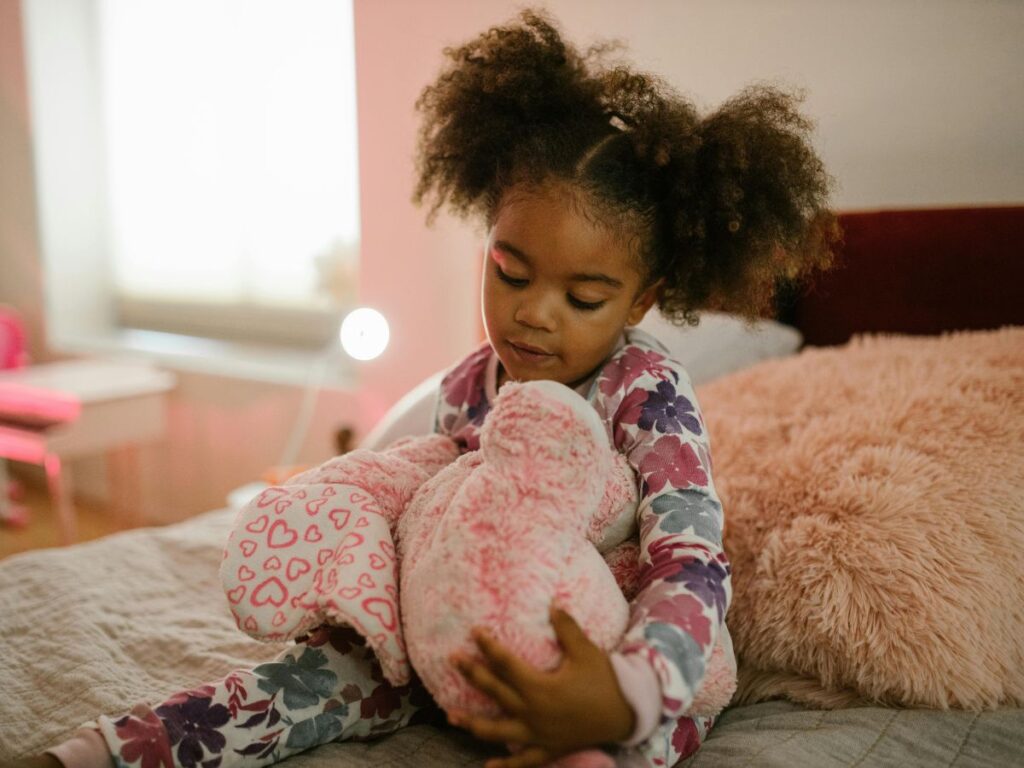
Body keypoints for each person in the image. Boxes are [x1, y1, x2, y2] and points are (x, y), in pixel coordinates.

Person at [24, 8, 835, 768]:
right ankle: (118, 747)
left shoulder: (648, 393)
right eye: (510, 272)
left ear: (642, 296)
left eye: (583, 298)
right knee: (297, 680)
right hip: (448, 635)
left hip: (593, 657)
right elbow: (418, 510)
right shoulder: (467, 388)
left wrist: (624, 690)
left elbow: (691, 560)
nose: (534, 316)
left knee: (658, 726)